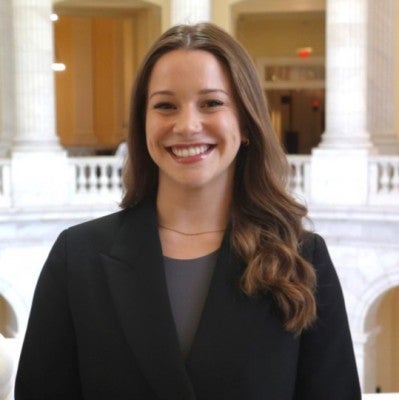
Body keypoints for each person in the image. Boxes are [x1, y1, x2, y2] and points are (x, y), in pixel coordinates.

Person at [15, 23, 361, 399]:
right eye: (165, 105)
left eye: (211, 103)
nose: (188, 125)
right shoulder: (77, 257)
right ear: (143, 124)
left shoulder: (302, 259)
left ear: (245, 123)